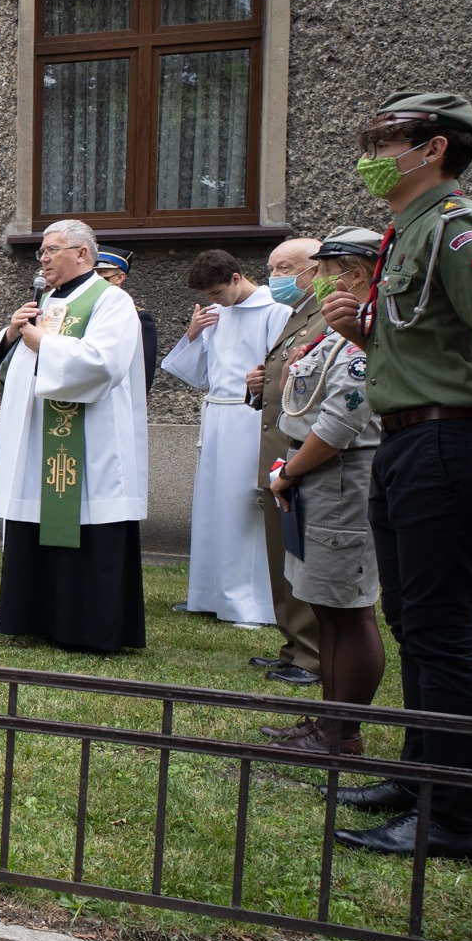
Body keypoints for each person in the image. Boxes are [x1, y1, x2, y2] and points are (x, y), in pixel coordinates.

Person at [319, 92, 472, 862]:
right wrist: (364, 327)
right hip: (411, 441)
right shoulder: (404, 234)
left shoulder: (457, 232)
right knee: (415, 624)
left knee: (445, 633)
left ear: (434, 147)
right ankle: (421, 776)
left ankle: (454, 817)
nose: (370, 152)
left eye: (382, 138)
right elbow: (429, 343)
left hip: (455, 445)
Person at [0, 219, 149, 653]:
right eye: (41, 250)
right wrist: (11, 333)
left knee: (86, 528)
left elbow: (103, 363)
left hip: (89, 443)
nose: (43, 257)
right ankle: (34, 617)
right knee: (37, 523)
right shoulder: (44, 300)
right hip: (37, 442)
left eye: (52, 249)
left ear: (82, 254)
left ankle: (86, 627)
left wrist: (43, 344)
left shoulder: (111, 301)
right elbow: (1, 359)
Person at [262, 228, 387, 757]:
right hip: (313, 474)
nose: (318, 281)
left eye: (327, 272)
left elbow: (341, 422)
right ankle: (325, 721)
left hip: (340, 478)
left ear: (355, 275)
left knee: (347, 609)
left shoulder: (365, 334)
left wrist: (289, 472)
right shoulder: (333, 331)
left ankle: (342, 734)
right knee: (325, 606)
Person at [160, 250, 293, 627]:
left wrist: (262, 381)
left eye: (218, 292)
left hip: (251, 417)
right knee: (212, 506)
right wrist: (193, 334)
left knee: (243, 508)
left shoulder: (275, 312)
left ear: (237, 278)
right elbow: (202, 374)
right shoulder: (216, 314)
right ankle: (207, 594)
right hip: (217, 414)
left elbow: (281, 369)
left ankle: (249, 605)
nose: (213, 301)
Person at [246, 237, 329, 686]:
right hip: (278, 449)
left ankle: (313, 655)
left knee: (301, 557)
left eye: (284, 268)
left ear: (313, 271)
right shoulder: (297, 315)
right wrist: (258, 385)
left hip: (303, 455)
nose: (274, 277)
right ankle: (293, 645)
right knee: (281, 557)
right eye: (272, 267)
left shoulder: (329, 314)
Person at [93, 248, 157, 393]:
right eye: (92, 273)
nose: (95, 279)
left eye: (102, 273)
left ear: (120, 277)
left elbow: (143, 370)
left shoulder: (138, 317)